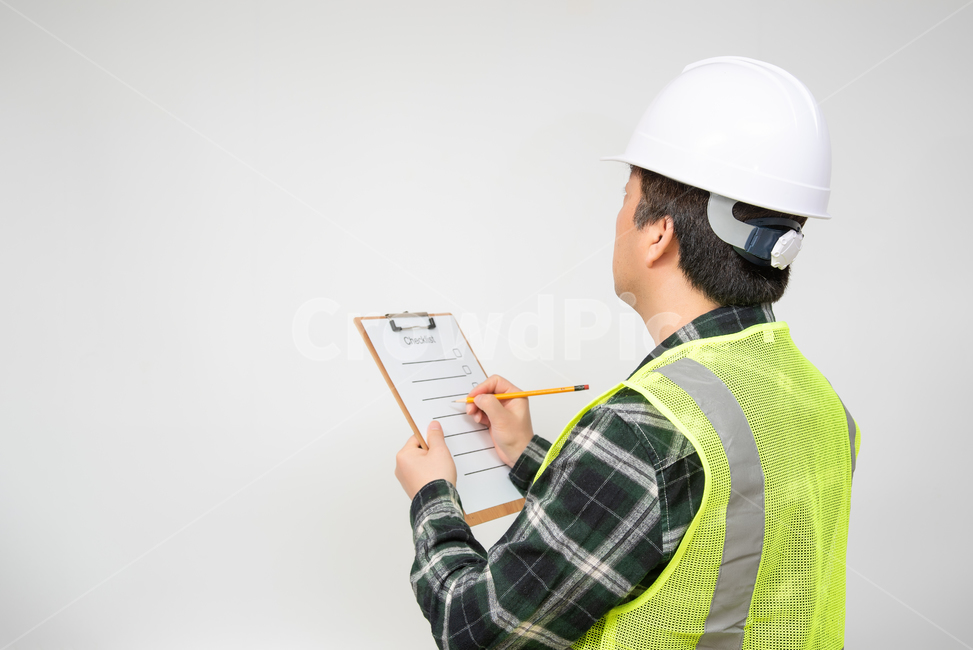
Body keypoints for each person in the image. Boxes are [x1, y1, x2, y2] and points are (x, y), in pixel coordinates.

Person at [395, 56, 859, 650]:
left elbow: (475, 630)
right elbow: (677, 528)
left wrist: (432, 496)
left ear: (658, 233)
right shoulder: (821, 403)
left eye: (626, 196)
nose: (617, 217)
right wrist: (521, 451)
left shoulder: (645, 430)